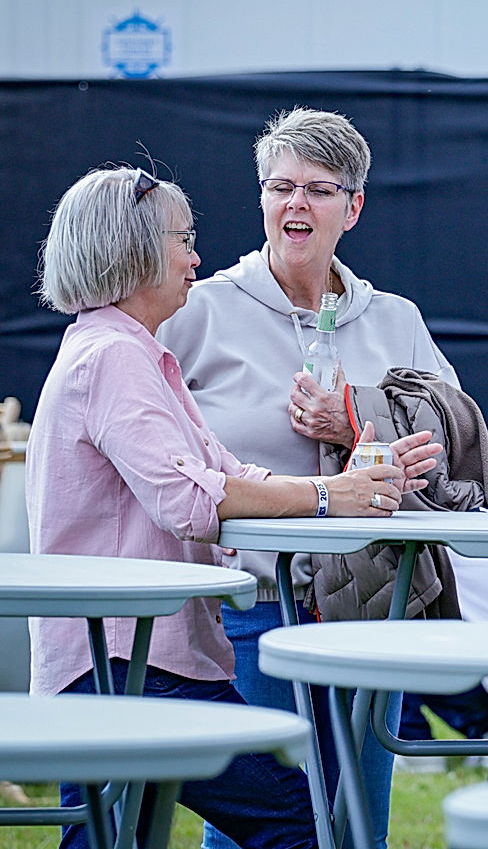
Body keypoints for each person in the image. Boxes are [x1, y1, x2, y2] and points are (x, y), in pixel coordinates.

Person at [26, 164, 441, 849]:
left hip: (118, 664)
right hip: (133, 670)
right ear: (129, 250)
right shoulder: (114, 358)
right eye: (181, 240)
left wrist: (348, 484)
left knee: (109, 835)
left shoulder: (125, 350)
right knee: (305, 823)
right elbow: (189, 499)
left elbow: (221, 469)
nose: (195, 257)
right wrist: (322, 495)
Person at [157, 107, 458, 849]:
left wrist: (378, 433)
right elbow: (159, 454)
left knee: (359, 825)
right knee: (259, 830)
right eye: (281, 187)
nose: (297, 205)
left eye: (319, 190)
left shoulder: (396, 318)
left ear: (353, 208)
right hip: (251, 609)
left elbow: (452, 436)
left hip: (369, 610)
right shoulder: (197, 310)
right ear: (261, 198)